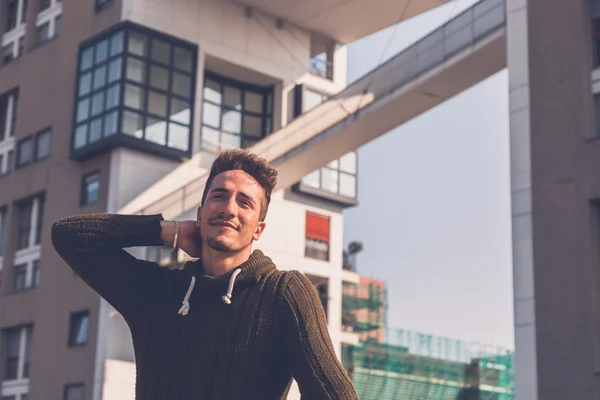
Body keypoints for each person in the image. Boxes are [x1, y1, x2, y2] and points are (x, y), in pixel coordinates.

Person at [51, 149, 359, 400]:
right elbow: (70, 236)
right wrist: (167, 231)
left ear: (258, 230)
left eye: (245, 202)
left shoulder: (283, 293)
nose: (229, 209)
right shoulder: (157, 291)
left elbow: (336, 395)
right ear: (200, 215)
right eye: (219, 196)